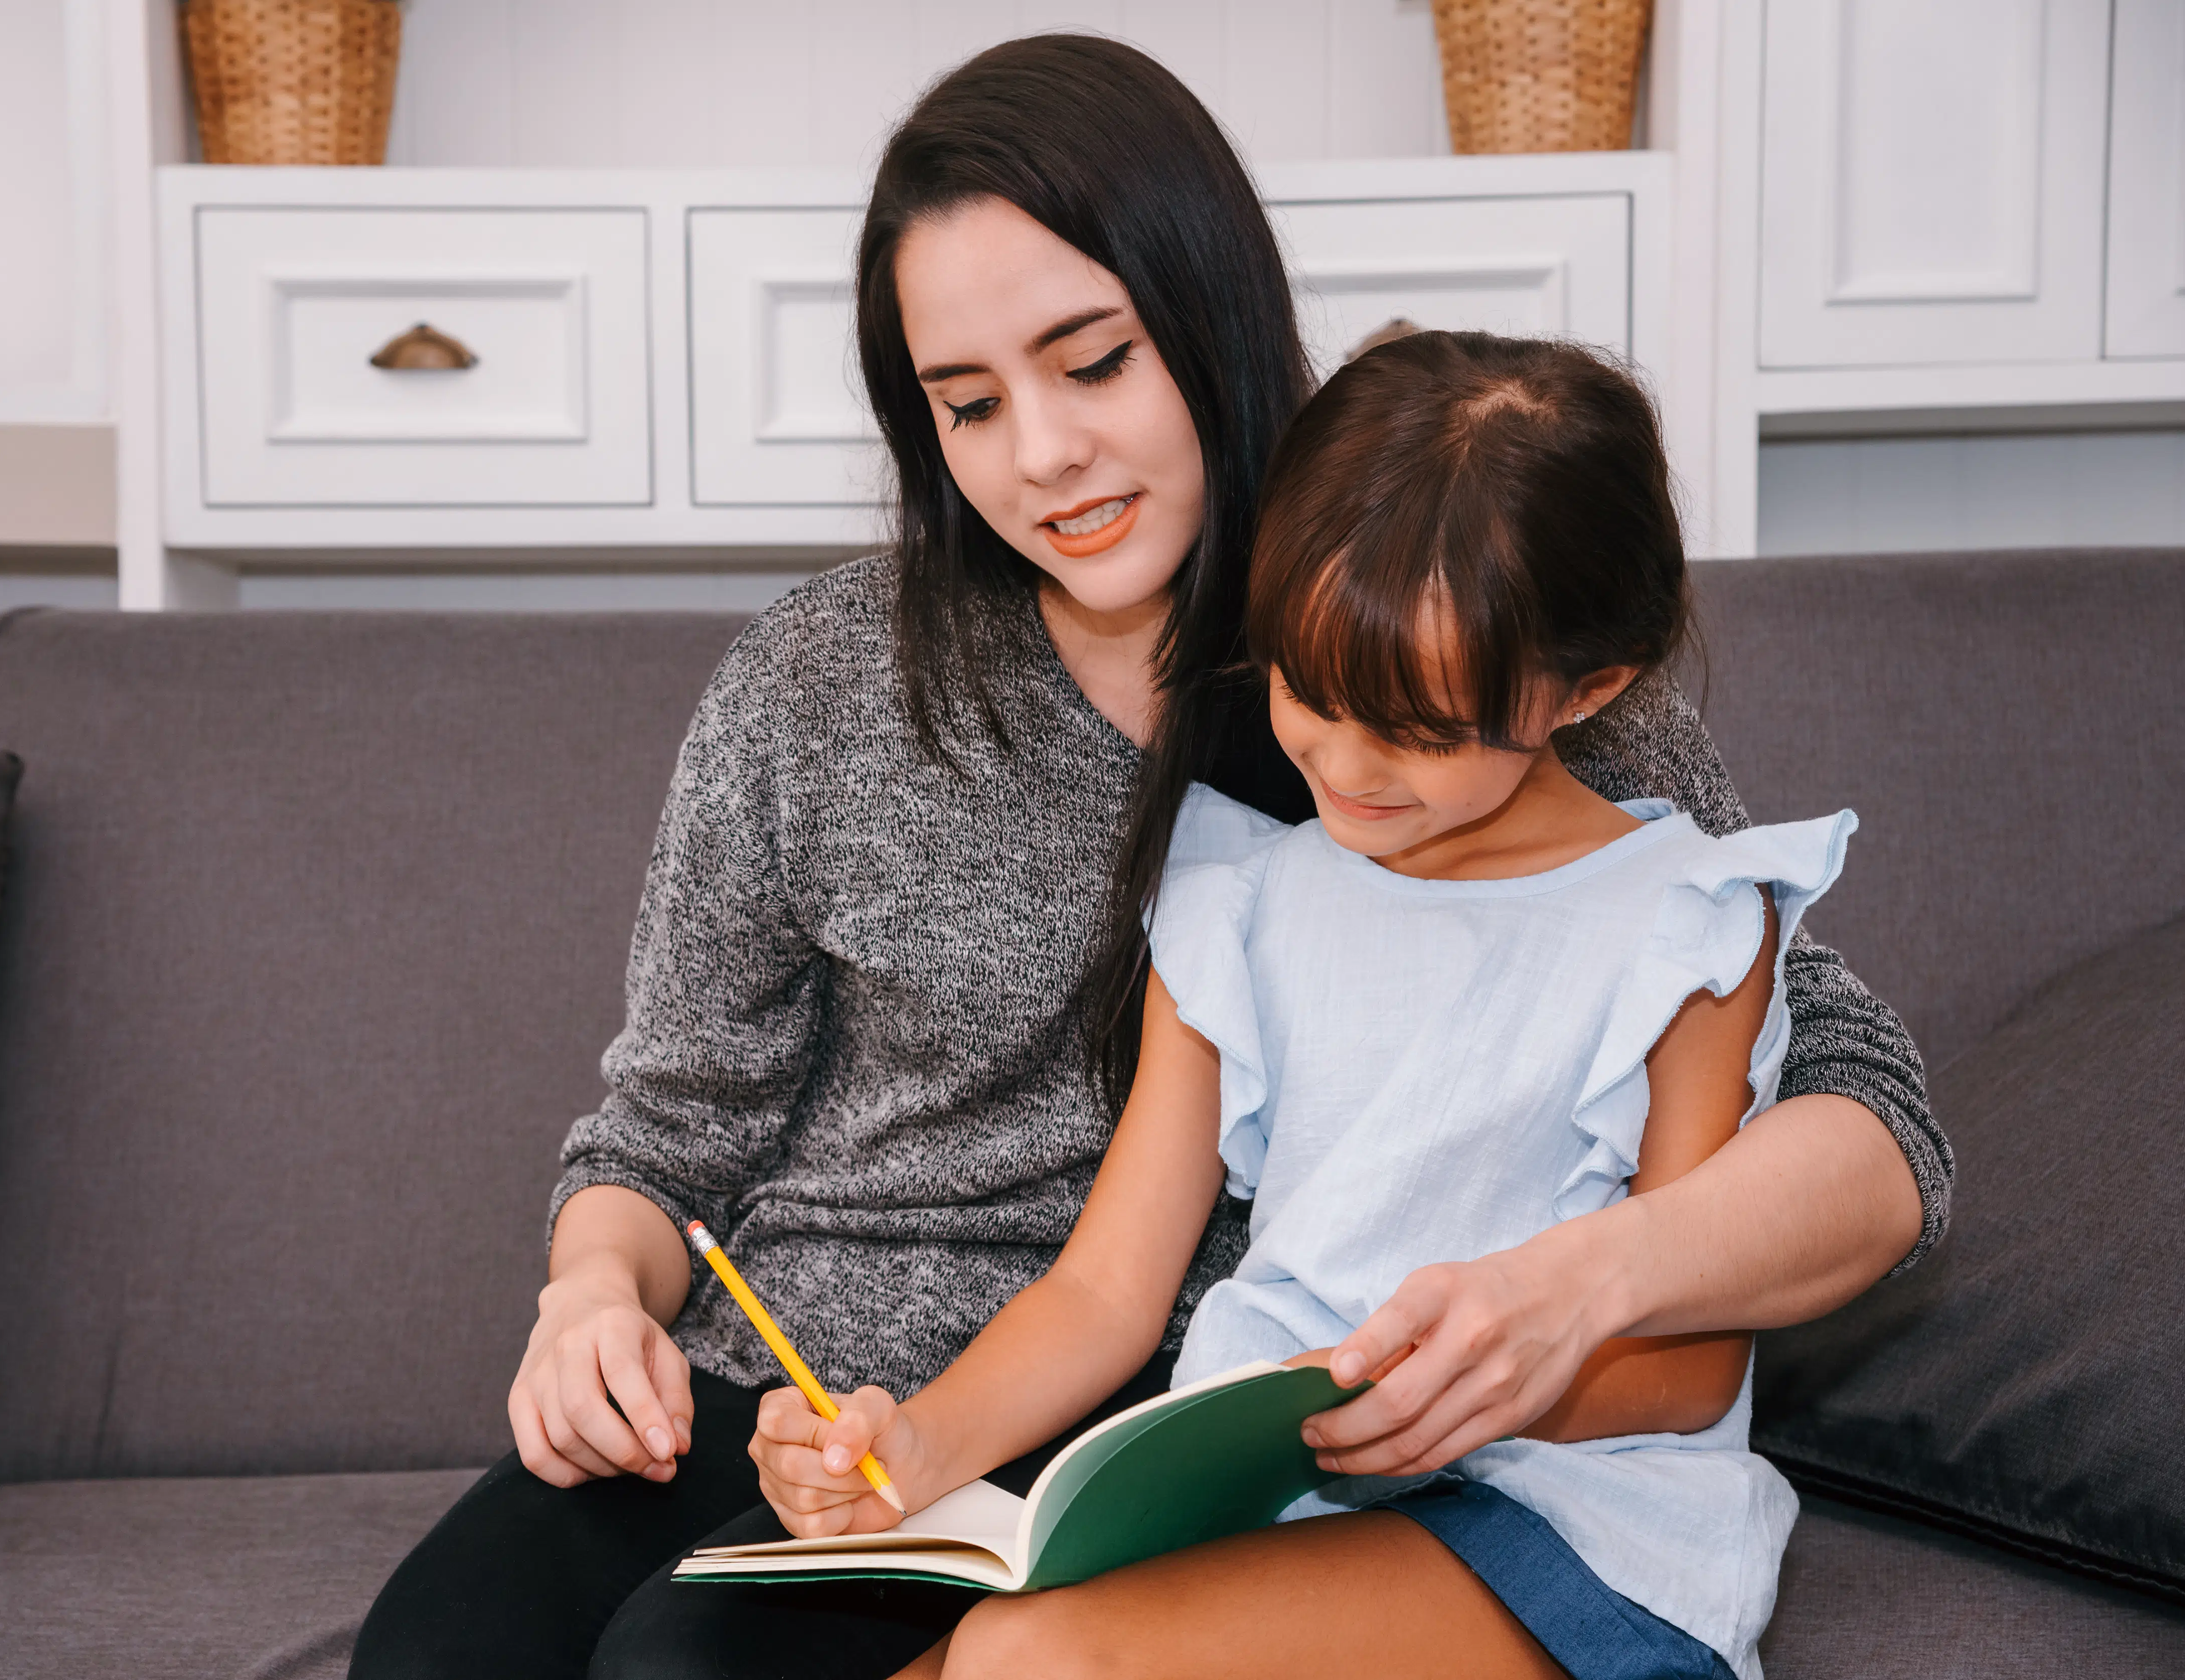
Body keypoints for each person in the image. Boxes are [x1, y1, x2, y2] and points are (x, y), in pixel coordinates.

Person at [348, 36, 1942, 1680]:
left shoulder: (1467, 631)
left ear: (1207, 317)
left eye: (1093, 362)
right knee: (435, 1662)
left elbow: (1862, 1117)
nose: (1041, 455)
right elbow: (669, 1134)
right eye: (968, 403)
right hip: (812, 1400)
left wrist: (1581, 1290)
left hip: (1153, 1439)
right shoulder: (811, 689)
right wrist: (590, 1298)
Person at [748, 329, 1833, 1680]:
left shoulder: (1686, 922)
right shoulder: (1242, 903)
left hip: (1568, 1519)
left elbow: (1688, 1373)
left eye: (1422, 731)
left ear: (1591, 687)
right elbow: (1104, 1291)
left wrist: (1459, 1395)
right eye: (1307, 689)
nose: (1345, 762)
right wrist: (913, 1447)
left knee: (1038, 1665)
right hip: (1287, 1500)